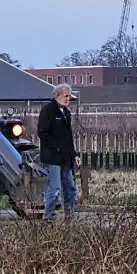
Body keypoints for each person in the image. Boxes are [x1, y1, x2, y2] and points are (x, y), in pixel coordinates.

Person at [37, 84, 80, 221]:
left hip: (66, 157)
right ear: (57, 96)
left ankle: (70, 216)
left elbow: (68, 137)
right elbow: (42, 132)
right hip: (53, 157)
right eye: (66, 96)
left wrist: (74, 154)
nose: (68, 99)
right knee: (54, 188)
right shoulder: (48, 111)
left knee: (70, 188)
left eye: (69, 96)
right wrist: (56, 147)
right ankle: (47, 217)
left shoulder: (66, 113)